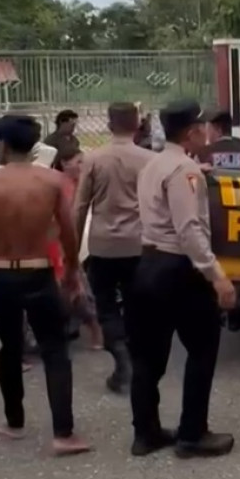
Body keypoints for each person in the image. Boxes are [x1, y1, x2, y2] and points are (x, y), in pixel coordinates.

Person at [0, 115, 90, 456]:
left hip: (1, 275)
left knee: (10, 349)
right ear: (33, 145)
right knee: (55, 350)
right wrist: (73, 270)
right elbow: (68, 230)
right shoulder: (51, 182)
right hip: (39, 271)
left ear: (2, 144)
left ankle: (14, 422)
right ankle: (64, 433)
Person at [130, 99, 237, 459]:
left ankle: (145, 434)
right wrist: (217, 275)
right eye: (204, 125)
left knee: (148, 357)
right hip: (180, 269)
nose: (208, 130)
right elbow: (189, 229)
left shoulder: (154, 163)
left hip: (148, 264)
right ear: (192, 131)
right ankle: (193, 433)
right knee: (203, 349)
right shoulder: (185, 171)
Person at [74, 102, 154, 394]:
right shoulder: (149, 160)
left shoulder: (94, 159)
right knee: (136, 304)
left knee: (106, 305)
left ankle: (120, 356)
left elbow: (80, 206)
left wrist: (72, 249)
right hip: (139, 243)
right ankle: (136, 358)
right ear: (137, 126)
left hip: (103, 244)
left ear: (108, 125)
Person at [51, 145, 104, 354]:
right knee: (70, 290)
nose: (82, 166)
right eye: (78, 162)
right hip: (55, 243)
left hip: (66, 245)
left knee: (78, 291)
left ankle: (95, 330)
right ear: (64, 163)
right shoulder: (58, 183)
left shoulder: (77, 184)